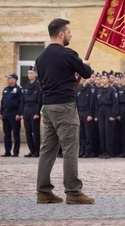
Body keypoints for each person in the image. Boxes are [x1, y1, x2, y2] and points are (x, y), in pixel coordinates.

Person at [35, 18, 94, 204]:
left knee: (47, 150)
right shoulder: (67, 54)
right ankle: (74, 192)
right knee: (70, 149)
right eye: (69, 32)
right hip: (65, 107)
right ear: (61, 34)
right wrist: (84, 63)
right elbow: (86, 73)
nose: (70, 35)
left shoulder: (40, 58)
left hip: (48, 106)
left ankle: (43, 191)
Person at [94, 71, 119, 159]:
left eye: (104, 78)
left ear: (108, 80)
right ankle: (103, 151)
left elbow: (115, 103)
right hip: (101, 111)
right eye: (101, 78)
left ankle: (109, 151)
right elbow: (96, 103)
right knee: (102, 132)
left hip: (108, 110)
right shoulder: (99, 90)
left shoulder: (112, 90)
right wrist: (96, 115)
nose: (102, 80)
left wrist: (113, 115)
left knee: (108, 132)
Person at [21, 66, 42, 158]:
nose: (30, 75)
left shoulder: (38, 86)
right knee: (28, 132)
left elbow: (39, 101)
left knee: (35, 132)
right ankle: (31, 150)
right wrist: (22, 113)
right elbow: (22, 101)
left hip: (34, 109)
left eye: (32, 73)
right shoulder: (26, 86)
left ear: (35, 74)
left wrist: (37, 113)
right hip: (26, 109)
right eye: (29, 73)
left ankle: (37, 151)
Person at [0, 73, 22, 157]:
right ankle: (7, 151)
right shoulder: (6, 89)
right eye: (7, 78)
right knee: (7, 134)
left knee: (16, 133)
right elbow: (2, 102)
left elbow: (20, 103)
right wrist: (1, 113)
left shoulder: (18, 89)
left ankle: (16, 152)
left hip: (14, 113)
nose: (7, 80)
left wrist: (19, 113)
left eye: (9, 78)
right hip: (6, 113)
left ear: (14, 80)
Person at [76, 77, 96, 158]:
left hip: (87, 112)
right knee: (81, 133)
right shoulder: (79, 88)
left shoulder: (90, 88)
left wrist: (91, 114)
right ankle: (82, 150)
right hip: (80, 112)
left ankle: (88, 151)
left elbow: (92, 103)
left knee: (88, 133)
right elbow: (76, 102)